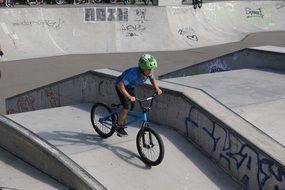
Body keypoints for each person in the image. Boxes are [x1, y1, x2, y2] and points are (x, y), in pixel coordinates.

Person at [114, 54, 162, 137]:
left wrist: (157, 89)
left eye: (152, 69)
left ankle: (121, 113)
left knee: (132, 105)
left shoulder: (148, 72)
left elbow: (152, 79)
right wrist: (128, 97)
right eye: (149, 69)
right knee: (126, 107)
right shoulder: (133, 73)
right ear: (142, 68)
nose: (151, 71)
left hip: (130, 87)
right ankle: (118, 126)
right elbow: (120, 85)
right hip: (121, 86)